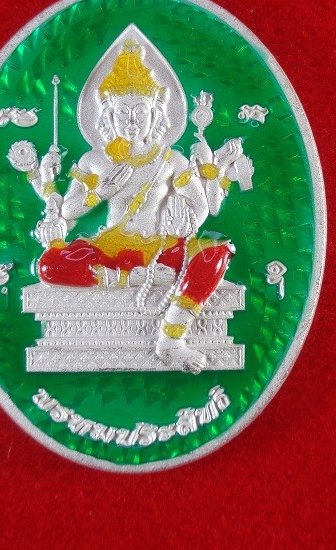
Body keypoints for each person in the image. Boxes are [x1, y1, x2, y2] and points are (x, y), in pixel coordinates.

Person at [31, 40, 242, 373]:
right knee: (48, 266)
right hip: (110, 249)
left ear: (155, 112)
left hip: (159, 248)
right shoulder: (94, 160)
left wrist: (184, 221)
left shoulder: (171, 161)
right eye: (123, 112)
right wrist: (99, 192)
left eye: (140, 111)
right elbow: (68, 211)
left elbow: (200, 209)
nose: (132, 120)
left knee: (217, 253)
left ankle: (171, 338)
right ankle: (127, 279)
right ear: (109, 114)